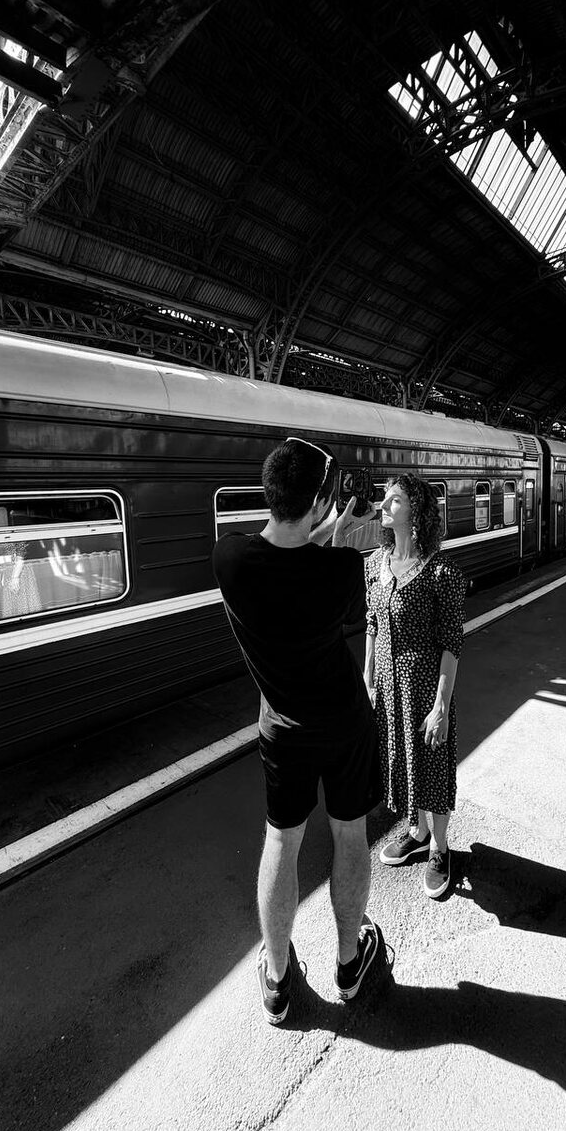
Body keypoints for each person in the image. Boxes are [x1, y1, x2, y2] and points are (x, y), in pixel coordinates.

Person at [212, 436, 385, 1025]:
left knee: (281, 843)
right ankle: (349, 962)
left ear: (270, 494)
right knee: (349, 835)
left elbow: (284, 553)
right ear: (319, 503)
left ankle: (279, 980)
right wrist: (342, 534)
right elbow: (336, 569)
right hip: (345, 724)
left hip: (282, 730)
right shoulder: (342, 569)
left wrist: (319, 525)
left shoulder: (230, 560)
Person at [364, 474, 466, 899]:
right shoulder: (374, 563)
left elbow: (451, 643)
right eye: (384, 499)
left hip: (425, 689)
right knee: (403, 763)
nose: (384, 506)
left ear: (416, 511)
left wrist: (441, 705)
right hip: (389, 689)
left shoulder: (442, 572)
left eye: (394, 500)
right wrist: (367, 677)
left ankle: (440, 848)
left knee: (432, 767)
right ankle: (418, 832)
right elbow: (372, 623)